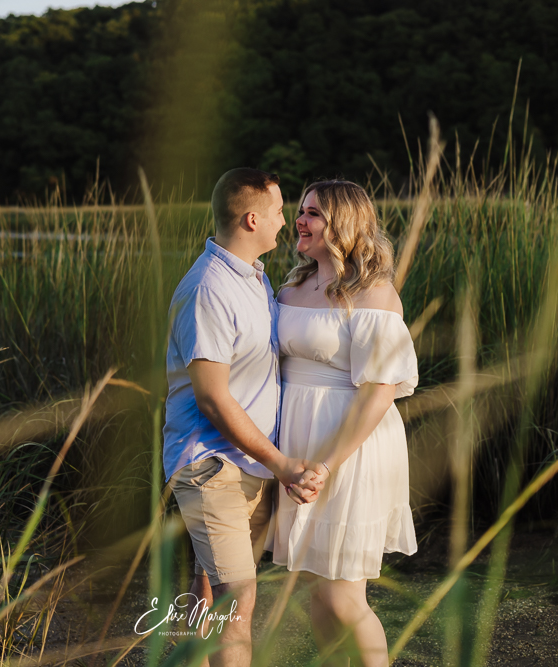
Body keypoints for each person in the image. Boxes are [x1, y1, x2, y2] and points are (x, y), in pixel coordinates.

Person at [164, 167, 323, 666]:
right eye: (280, 212)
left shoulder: (252, 277)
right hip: (210, 463)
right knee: (239, 596)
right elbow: (212, 398)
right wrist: (283, 464)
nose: (288, 221)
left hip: (244, 463)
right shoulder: (210, 288)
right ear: (252, 218)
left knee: (209, 582)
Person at [269, 179, 419, 667]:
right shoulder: (292, 285)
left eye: (312, 212)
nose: (299, 220)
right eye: (300, 211)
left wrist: (328, 464)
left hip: (348, 446)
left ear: (343, 225)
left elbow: (379, 392)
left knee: (342, 594)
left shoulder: (373, 294)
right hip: (295, 441)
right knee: (315, 585)